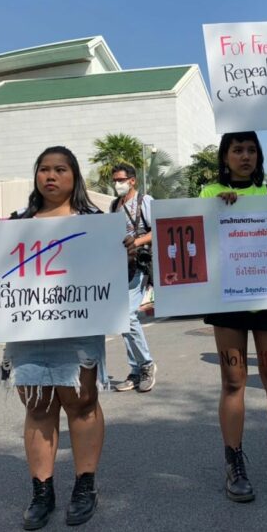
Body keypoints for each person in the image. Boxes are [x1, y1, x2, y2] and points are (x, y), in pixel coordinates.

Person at [0, 146, 111, 529]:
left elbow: (111, 275)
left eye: (60, 169)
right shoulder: (14, 226)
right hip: (26, 328)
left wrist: (119, 252)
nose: (51, 176)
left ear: (75, 177)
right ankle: (42, 491)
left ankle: (85, 487)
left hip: (76, 325)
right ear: (36, 176)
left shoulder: (95, 224)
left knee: (82, 401)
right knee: (38, 405)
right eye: (44, 169)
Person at [199, 131, 267, 503]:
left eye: (251, 150)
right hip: (227, 300)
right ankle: (234, 463)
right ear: (224, 157)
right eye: (237, 150)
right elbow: (200, 241)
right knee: (233, 380)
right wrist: (218, 210)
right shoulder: (209, 194)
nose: (245, 156)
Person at [110, 163, 157, 393]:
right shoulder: (114, 205)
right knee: (122, 319)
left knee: (128, 316)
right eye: (114, 181)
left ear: (132, 181)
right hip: (120, 266)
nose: (117, 184)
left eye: (121, 180)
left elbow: (159, 227)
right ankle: (136, 370)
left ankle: (147, 365)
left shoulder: (144, 201)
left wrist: (136, 242)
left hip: (139, 264)